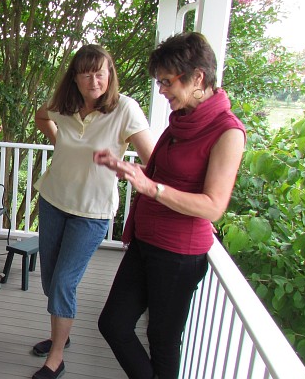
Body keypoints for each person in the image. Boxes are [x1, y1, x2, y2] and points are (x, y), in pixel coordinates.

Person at [94, 32, 246, 379]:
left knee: (162, 340)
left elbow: (212, 206)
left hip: (178, 254)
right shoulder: (180, 122)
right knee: (113, 324)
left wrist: (151, 187)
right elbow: (165, 177)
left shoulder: (227, 132)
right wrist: (129, 170)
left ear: (198, 78)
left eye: (167, 82)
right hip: (146, 242)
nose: (161, 90)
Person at [32, 44, 154, 379]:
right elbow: (41, 117)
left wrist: (125, 168)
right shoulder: (64, 105)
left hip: (92, 214)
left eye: (100, 72)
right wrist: (60, 141)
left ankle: (56, 357)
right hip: (54, 201)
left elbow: (153, 160)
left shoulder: (125, 109)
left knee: (63, 284)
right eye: (85, 72)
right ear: (75, 77)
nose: (93, 79)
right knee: (49, 280)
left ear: (110, 74)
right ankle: (63, 335)